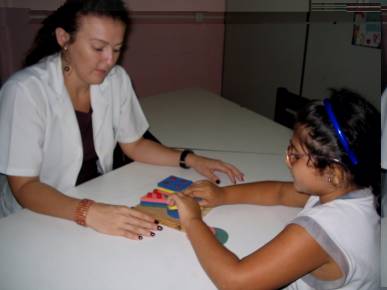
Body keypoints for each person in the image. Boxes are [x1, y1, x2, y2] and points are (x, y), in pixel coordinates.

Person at [0, 0, 244, 240]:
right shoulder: (24, 91)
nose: (109, 61)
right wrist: (88, 212)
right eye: (98, 48)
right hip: (35, 216)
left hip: (94, 196)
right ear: (64, 38)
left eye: (116, 49)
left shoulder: (116, 79)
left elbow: (134, 145)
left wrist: (189, 158)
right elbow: (25, 187)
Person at [171, 89, 380, 289]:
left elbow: (234, 282)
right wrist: (222, 194)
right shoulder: (353, 188)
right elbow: (279, 192)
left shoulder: (323, 231)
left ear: (333, 173)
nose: (287, 159)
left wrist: (192, 221)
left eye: (296, 155)